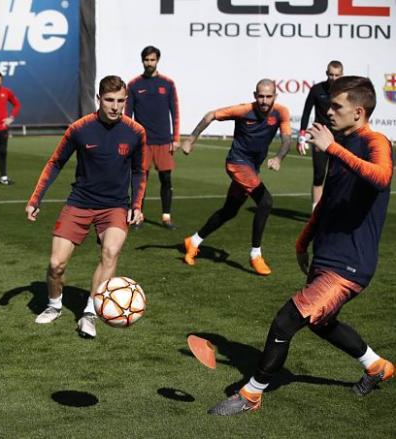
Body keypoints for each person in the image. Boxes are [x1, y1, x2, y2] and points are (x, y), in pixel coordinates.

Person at [208, 76, 393, 416]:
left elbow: (381, 178)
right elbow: (327, 203)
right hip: (328, 256)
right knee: (322, 322)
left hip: (350, 264)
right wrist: (303, 240)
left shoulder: (375, 141)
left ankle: (251, 394)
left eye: (337, 106)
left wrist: (332, 148)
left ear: (359, 112)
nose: (328, 111)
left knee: (285, 321)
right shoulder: (340, 145)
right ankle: (377, 366)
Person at [25, 75, 147, 339]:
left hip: (115, 206)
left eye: (120, 101)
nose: (115, 107)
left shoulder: (136, 132)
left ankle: (90, 312)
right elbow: (55, 162)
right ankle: (54, 305)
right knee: (56, 264)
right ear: (99, 99)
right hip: (80, 201)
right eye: (109, 100)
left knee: (110, 252)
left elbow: (139, 171)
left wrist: (136, 205)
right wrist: (36, 198)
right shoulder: (79, 129)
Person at [180, 79, 292, 276]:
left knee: (229, 211)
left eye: (269, 96)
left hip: (251, 168)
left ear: (275, 96)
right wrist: (191, 139)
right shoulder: (243, 110)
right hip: (237, 163)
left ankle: (194, 241)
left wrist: (278, 157)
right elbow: (211, 115)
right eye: (261, 96)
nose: (265, 101)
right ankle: (255, 255)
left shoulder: (281, 112)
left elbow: (286, 140)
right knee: (265, 202)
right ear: (254, 95)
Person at [125, 45, 180, 229]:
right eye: (147, 60)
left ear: (158, 60)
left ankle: (166, 216)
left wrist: (176, 138)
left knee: (166, 179)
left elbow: (176, 113)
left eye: (152, 60)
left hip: (164, 141)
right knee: (141, 181)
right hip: (143, 143)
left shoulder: (168, 84)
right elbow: (127, 117)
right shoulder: (133, 85)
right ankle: (137, 215)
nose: (149, 63)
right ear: (142, 61)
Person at [299, 60, 344, 210]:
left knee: (338, 175)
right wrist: (302, 136)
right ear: (326, 73)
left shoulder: (346, 92)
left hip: (340, 138)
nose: (333, 78)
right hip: (319, 136)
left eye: (337, 75)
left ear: (342, 75)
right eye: (331, 74)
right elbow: (306, 112)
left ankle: (334, 209)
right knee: (319, 175)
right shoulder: (317, 89)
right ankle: (315, 212)